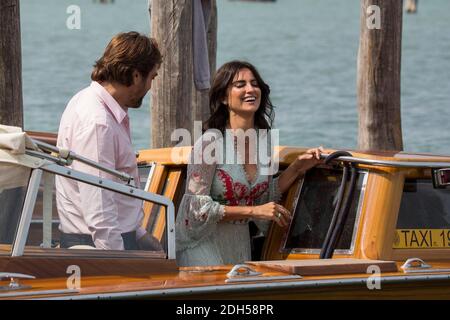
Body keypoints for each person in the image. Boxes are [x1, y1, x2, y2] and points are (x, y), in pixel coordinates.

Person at [175, 60, 323, 266]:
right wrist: (254, 211)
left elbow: (264, 196)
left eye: (254, 83)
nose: (250, 89)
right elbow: (195, 209)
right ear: (223, 98)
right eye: (240, 85)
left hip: (239, 244)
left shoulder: (264, 141)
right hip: (201, 244)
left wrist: (297, 167)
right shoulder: (210, 142)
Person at [55, 31, 162, 251]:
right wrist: (116, 261)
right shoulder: (98, 122)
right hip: (99, 245)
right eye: (152, 76)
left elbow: (114, 189)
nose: (151, 86)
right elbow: (99, 204)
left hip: (105, 238)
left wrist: (139, 234)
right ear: (135, 75)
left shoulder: (90, 103)